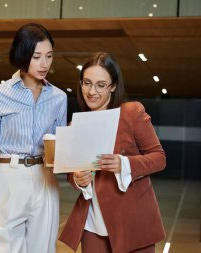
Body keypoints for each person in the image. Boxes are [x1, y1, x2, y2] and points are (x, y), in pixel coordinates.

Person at [0, 23, 67, 253]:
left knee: (43, 248)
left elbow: (59, 143)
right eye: (37, 56)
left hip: (45, 177)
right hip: (9, 177)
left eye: (49, 56)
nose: (44, 63)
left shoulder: (58, 98)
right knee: (5, 247)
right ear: (22, 54)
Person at [58, 52, 166, 253]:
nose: (91, 92)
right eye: (87, 83)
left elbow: (159, 158)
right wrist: (78, 179)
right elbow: (72, 175)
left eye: (100, 85)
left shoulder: (131, 113)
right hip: (92, 223)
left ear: (113, 86)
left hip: (132, 221)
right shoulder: (76, 124)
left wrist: (124, 164)